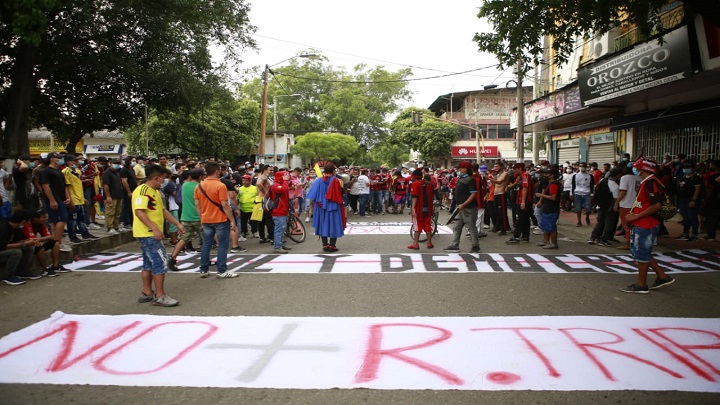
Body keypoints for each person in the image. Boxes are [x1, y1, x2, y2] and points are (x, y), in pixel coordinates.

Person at [619, 158, 676, 293]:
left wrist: (636, 216)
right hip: (641, 223)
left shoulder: (651, 183)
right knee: (639, 252)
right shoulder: (647, 182)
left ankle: (641, 285)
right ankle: (662, 276)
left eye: (637, 167)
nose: (635, 169)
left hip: (646, 224)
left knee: (642, 255)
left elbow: (656, 205)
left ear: (643, 168)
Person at [133, 165, 185, 306]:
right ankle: (160, 296)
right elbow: (139, 212)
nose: (165, 181)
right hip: (148, 234)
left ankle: (147, 292)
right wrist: (155, 229)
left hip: (150, 233)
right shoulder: (142, 191)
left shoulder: (154, 191)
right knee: (160, 262)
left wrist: (177, 223)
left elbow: (162, 211)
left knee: (148, 263)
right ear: (156, 177)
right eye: (164, 178)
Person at [194, 162, 239, 278]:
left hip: (206, 219)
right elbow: (225, 205)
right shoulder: (220, 186)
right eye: (220, 170)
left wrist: (202, 217)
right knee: (223, 245)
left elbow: (197, 205)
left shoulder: (199, 186)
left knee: (206, 244)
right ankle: (222, 270)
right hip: (220, 219)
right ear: (217, 171)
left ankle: (203, 269)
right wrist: (232, 220)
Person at [168, 169, 204, 271]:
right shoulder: (200, 186)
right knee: (206, 239)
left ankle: (173, 257)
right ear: (200, 176)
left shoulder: (184, 185)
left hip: (186, 216)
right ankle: (205, 259)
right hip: (199, 216)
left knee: (183, 239)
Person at [307, 163, 347, 252]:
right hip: (333, 206)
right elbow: (341, 193)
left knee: (322, 224)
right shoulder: (337, 181)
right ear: (333, 171)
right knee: (334, 224)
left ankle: (325, 245)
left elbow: (312, 194)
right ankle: (332, 245)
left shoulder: (318, 181)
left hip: (320, 206)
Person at [443, 161, 480, 253]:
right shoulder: (461, 178)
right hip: (460, 208)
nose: (457, 169)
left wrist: (464, 204)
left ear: (464, 169)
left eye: (459, 168)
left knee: (471, 227)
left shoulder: (470, 179)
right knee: (457, 226)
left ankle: (475, 246)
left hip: (469, 208)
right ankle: (455, 245)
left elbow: (474, 194)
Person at [62, 154, 98, 243]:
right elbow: (67, 187)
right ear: (69, 162)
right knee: (72, 220)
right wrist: (70, 200)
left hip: (80, 198)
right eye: (75, 161)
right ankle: (73, 236)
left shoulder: (77, 171)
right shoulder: (65, 172)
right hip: (73, 199)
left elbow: (78, 184)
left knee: (81, 219)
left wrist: (83, 198)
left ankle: (85, 234)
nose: (78, 163)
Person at [39, 152, 71, 251]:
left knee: (58, 220)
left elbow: (64, 186)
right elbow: (45, 186)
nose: (61, 160)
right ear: (52, 159)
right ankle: (57, 242)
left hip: (61, 199)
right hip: (54, 199)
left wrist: (68, 197)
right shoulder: (46, 172)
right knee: (61, 219)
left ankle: (56, 242)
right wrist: (52, 200)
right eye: (58, 158)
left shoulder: (59, 171)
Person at [17, 209, 64, 276]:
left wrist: (40, 239)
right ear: (36, 218)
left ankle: (55, 266)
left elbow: (51, 237)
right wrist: (40, 240)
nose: (46, 219)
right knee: (39, 248)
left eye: (47, 217)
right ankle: (45, 269)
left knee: (55, 243)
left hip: (34, 242)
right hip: (26, 244)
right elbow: (32, 240)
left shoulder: (41, 224)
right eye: (44, 217)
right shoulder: (27, 224)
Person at [588, 168, 622, 246]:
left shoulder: (603, 180)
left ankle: (594, 237)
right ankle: (604, 239)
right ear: (618, 175)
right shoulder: (615, 186)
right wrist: (616, 206)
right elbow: (616, 199)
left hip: (601, 205)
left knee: (600, 222)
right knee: (609, 223)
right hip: (610, 206)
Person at [408, 169, 435, 249]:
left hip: (419, 209)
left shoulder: (415, 184)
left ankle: (415, 243)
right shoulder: (429, 184)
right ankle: (429, 243)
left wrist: (413, 208)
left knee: (417, 226)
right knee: (428, 225)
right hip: (428, 208)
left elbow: (414, 197)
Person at [675, 163, 703, 242]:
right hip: (683, 199)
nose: (685, 169)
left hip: (690, 199)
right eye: (685, 168)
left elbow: (697, 190)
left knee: (692, 217)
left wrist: (693, 200)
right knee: (686, 217)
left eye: (688, 167)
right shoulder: (684, 177)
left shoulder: (696, 178)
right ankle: (685, 234)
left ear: (692, 169)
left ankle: (694, 235)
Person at [507, 163, 533, 244]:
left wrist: (523, 202)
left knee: (520, 219)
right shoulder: (521, 176)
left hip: (524, 200)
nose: (514, 170)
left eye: (516, 168)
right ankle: (525, 236)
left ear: (520, 168)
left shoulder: (525, 175)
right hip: (523, 199)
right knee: (525, 219)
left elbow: (525, 188)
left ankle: (516, 236)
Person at [536, 169, 562, 249]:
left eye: (548, 174)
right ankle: (545, 241)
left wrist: (541, 195)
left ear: (552, 175)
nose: (545, 175)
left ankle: (554, 243)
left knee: (551, 226)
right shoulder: (550, 183)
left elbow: (553, 197)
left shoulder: (554, 184)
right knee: (546, 225)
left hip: (552, 209)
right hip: (547, 208)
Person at [269, 169, 292, 254]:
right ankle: (277, 246)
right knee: (279, 229)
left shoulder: (280, 184)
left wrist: (287, 181)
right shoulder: (275, 185)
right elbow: (284, 189)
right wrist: (285, 181)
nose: (286, 177)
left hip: (283, 211)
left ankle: (280, 244)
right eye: (284, 176)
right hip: (278, 211)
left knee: (282, 229)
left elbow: (287, 186)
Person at [615, 165, 639, 250]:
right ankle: (635, 242)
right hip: (636, 205)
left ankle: (629, 243)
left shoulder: (625, 178)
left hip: (626, 204)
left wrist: (616, 202)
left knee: (626, 225)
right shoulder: (639, 178)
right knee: (635, 225)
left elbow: (623, 191)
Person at [102, 157, 125, 234]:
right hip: (111, 196)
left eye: (119, 163)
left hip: (118, 195)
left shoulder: (118, 172)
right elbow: (105, 185)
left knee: (117, 212)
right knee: (110, 212)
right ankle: (110, 227)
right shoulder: (107, 173)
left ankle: (116, 226)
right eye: (115, 163)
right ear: (110, 164)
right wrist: (108, 196)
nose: (117, 165)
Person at [570, 162, 594, 227]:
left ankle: (587, 216)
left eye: (583, 166)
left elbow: (592, 186)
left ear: (586, 167)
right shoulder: (575, 176)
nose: (582, 167)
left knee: (588, 208)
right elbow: (573, 185)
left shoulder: (590, 176)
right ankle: (579, 221)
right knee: (578, 208)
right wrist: (571, 193)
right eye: (580, 166)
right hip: (577, 193)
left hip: (587, 193)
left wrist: (592, 194)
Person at [237, 174, 258, 239]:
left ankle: (255, 232)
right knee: (243, 222)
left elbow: (258, 197)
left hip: (253, 208)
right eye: (243, 180)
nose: (244, 182)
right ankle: (244, 232)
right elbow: (237, 198)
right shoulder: (239, 189)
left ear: (249, 181)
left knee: (254, 222)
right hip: (243, 208)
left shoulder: (255, 188)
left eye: (246, 180)